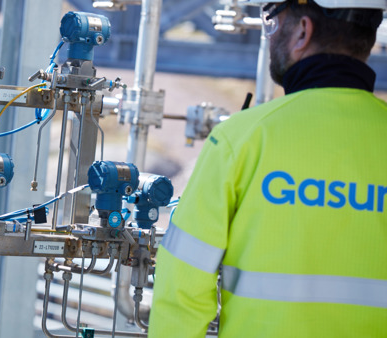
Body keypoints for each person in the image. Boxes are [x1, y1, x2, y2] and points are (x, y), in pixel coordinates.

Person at [149, 1, 387, 337]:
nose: (270, 35)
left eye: (273, 22)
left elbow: (181, 290)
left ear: (303, 31)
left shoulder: (241, 139)